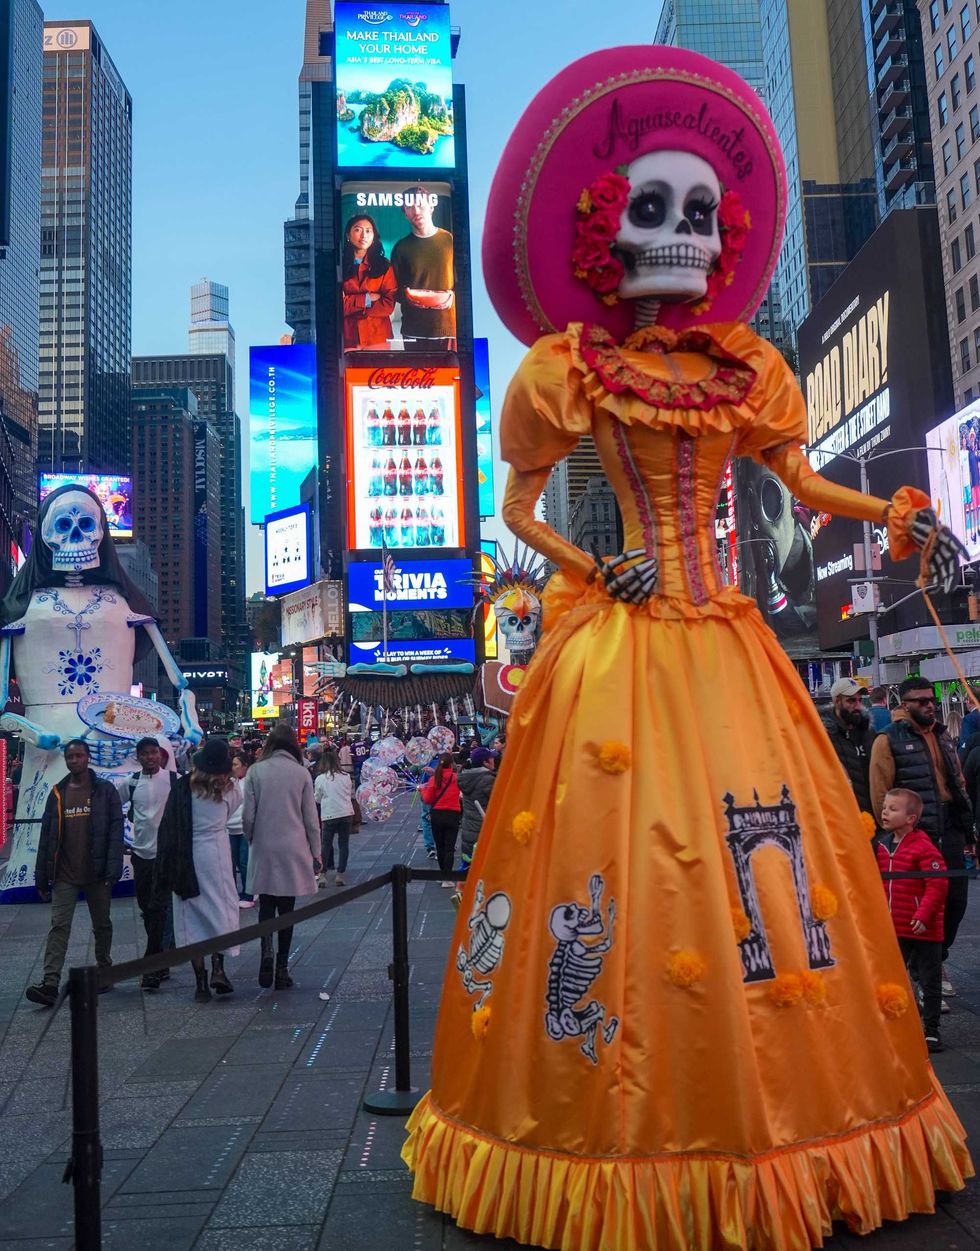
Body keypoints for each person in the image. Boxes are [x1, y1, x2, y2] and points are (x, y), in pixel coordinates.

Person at [402, 45, 972, 1249]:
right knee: (625, 861)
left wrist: (891, 512)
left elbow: (803, 480)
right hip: (627, 643)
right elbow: (512, 507)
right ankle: (619, 1109)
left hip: (723, 638)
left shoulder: (747, 370)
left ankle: (786, 1105)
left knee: (758, 850)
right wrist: (584, 566)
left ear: (726, 234)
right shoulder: (569, 369)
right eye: (655, 208)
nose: (685, 235)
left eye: (702, 214)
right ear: (611, 227)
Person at [870, 676, 974, 996]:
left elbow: (956, 781)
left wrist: (965, 825)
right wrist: (894, 833)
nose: (929, 705)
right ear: (905, 704)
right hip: (914, 833)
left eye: (931, 700)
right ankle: (927, 970)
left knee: (955, 902)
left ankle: (932, 960)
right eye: (921, 701)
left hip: (949, 828)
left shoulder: (942, 735)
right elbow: (880, 792)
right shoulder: (888, 740)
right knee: (921, 906)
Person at [26, 740, 124, 1007]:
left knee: (102, 924)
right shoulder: (57, 792)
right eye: (70, 757)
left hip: (97, 871)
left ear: (88, 758)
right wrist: (41, 876)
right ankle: (49, 984)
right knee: (59, 926)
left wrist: (114, 868)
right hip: (64, 874)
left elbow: (117, 830)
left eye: (79, 755)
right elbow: (47, 836)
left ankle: (105, 969)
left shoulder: (105, 791)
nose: (74, 760)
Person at [154, 737, 241, 1003]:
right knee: (221, 911)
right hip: (218, 854)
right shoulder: (228, 789)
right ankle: (218, 968)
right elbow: (232, 811)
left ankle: (200, 981)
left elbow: (168, 822)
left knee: (190, 918)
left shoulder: (183, 786)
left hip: (186, 856)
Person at [242, 723, 320, 990]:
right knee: (287, 908)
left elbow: (248, 816)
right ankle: (282, 968)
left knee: (265, 903)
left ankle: (266, 949)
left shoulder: (255, 771)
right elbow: (311, 820)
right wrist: (316, 852)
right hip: (293, 847)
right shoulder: (301, 773)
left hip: (264, 845)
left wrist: (252, 838)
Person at [875, 788, 948, 1053]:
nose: (885, 812)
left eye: (892, 809)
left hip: (924, 926)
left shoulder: (923, 847)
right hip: (895, 925)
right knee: (892, 975)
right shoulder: (882, 846)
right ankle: (904, 1020)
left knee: (929, 979)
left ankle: (932, 1029)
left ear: (911, 818)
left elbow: (937, 883)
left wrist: (924, 914)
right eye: (885, 807)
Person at [117, 736, 177, 990]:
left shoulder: (174, 780)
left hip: (166, 855)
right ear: (138, 756)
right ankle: (160, 961)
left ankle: (150, 966)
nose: (150, 757)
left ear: (160, 755)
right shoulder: (130, 783)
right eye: (146, 753)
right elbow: (112, 809)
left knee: (159, 908)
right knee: (147, 908)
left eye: (154, 753)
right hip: (140, 855)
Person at [390, 187, 456, 343]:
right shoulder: (400, 249)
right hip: (414, 331)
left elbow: (467, 283)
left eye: (420, 204)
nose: (416, 210)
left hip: (449, 329)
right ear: (405, 213)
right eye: (410, 207)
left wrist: (452, 296)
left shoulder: (451, 241)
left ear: (431, 206)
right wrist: (407, 296)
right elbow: (393, 290)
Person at [819, 677, 877, 816]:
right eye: (851, 700)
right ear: (837, 701)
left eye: (859, 700)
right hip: (841, 816)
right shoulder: (824, 736)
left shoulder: (868, 733)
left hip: (873, 816)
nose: (857, 705)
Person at [341, 214, 397, 350]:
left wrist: (354, 306)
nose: (363, 235)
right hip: (348, 338)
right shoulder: (338, 266)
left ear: (373, 237)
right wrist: (367, 299)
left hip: (378, 338)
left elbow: (388, 304)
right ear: (348, 235)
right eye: (358, 230)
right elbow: (337, 306)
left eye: (368, 231)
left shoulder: (384, 266)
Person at [418, 753, 461, 887]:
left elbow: (428, 799)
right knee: (449, 847)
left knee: (440, 846)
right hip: (452, 814)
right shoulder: (456, 778)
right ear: (451, 763)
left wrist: (421, 790)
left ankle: (443, 875)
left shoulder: (434, 779)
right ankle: (447, 878)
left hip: (437, 815)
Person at [314, 748, 354, 887]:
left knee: (325, 845)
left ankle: (323, 874)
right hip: (346, 812)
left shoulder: (320, 779)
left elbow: (317, 798)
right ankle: (340, 874)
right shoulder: (346, 776)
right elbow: (349, 792)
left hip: (329, 814)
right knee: (343, 845)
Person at [457, 745, 497, 872]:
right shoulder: (487, 780)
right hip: (484, 829)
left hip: (469, 828)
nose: (494, 761)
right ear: (485, 762)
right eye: (491, 759)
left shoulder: (466, 777)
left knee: (471, 869)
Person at [228, 752, 253, 909]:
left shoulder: (250, 783)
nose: (233, 767)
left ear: (245, 766)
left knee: (244, 862)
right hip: (230, 828)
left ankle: (248, 893)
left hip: (244, 828)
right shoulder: (229, 782)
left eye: (236, 764)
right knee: (234, 862)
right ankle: (234, 893)